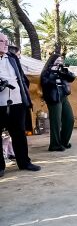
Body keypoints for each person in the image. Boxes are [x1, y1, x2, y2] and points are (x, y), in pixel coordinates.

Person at [0, 32, 41, 177]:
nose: (5, 44)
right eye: (2, 41)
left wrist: (25, 96)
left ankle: (24, 162)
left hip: (17, 102)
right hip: (0, 104)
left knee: (19, 133)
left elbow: (21, 77)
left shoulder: (12, 58)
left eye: (6, 41)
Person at [40, 54, 76, 152]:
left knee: (70, 119)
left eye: (61, 60)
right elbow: (45, 82)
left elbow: (72, 78)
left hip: (63, 96)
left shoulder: (62, 70)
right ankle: (54, 145)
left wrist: (64, 72)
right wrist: (54, 73)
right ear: (52, 61)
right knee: (56, 121)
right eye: (57, 60)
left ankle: (63, 142)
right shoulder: (46, 71)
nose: (59, 62)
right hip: (53, 97)